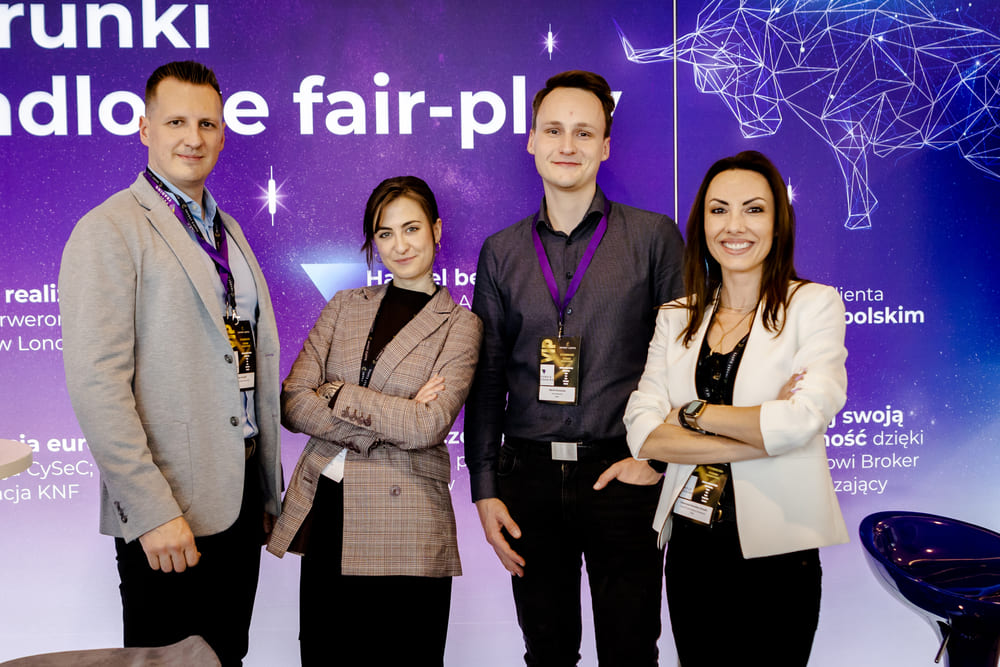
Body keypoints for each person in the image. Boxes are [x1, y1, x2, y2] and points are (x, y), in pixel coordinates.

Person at [59, 61, 282, 666]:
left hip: (236, 502)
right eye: (177, 120)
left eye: (207, 122)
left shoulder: (228, 230)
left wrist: (264, 489)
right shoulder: (108, 229)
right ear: (144, 128)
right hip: (169, 514)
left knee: (224, 659)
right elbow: (97, 384)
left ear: (223, 133)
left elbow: (244, 360)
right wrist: (153, 512)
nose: (194, 136)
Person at [465, 70, 685, 666]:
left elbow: (682, 363)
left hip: (623, 474)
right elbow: (485, 380)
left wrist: (655, 460)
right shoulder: (501, 251)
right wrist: (485, 490)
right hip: (528, 481)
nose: (568, 145)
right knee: (547, 651)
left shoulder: (654, 238)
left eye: (584, 132)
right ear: (530, 140)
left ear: (605, 146)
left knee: (631, 650)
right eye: (553, 130)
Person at [621, 150, 850, 666]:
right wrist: (761, 434)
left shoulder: (813, 305)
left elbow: (804, 418)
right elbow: (642, 430)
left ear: (777, 221)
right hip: (692, 546)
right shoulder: (675, 317)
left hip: (779, 545)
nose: (735, 226)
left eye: (753, 209)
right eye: (719, 210)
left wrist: (691, 411)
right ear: (702, 223)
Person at [267, 176, 482, 666]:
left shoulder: (461, 325)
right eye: (385, 234)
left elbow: (428, 425)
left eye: (411, 229)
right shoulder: (345, 305)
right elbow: (293, 404)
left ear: (437, 230)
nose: (399, 245)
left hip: (407, 520)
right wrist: (393, 415)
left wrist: (338, 393)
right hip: (328, 509)